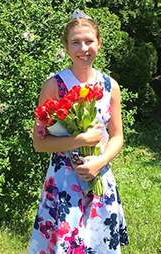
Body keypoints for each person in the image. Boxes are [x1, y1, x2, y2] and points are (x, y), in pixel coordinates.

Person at [28, 9, 129, 254]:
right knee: (67, 242)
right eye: (76, 42)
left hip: (99, 175)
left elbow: (117, 137)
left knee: (98, 242)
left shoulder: (109, 86)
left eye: (89, 41)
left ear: (99, 43)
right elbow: (39, 144)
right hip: (63, 180)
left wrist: (100, 161)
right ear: (66, 47)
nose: (83, 48)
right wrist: (80, 139)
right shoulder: (55, 85)